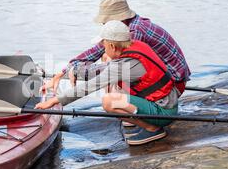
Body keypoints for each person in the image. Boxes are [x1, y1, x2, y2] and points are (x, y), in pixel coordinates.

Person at [35, 20, 179, 145]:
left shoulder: (123, 64)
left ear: (112, 46)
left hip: (163, 110)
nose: (103, 49)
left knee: (109, 102)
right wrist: (64, 73)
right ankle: (142, 120)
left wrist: (53, 101)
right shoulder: (136, 45)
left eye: (104, 45)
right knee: (109, 69)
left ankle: (152, 129)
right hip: (164, 100)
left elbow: (90, 86)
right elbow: (98, 72)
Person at [44, 0, 191, 98]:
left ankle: (126, 110)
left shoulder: (134, 32)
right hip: (162, 79)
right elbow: (95, 51)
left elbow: (115, 70)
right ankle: (124, 106)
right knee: (106, 55)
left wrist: (77, 72)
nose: (103, 24)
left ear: (119, 18)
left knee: (111, 61)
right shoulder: (124, 28)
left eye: (105, 22)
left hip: (172, 85)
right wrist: (66, 70)